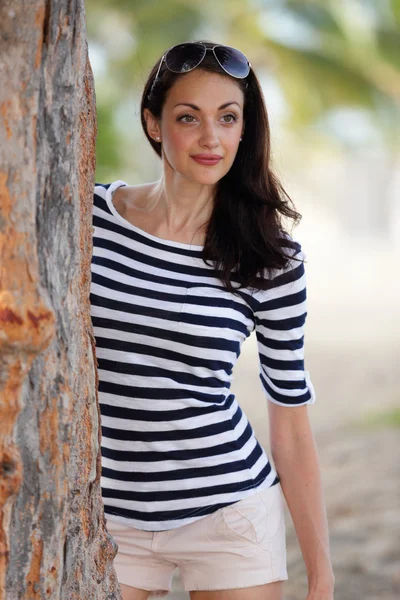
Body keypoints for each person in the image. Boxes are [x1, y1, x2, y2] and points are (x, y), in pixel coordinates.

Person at [90, 41, 335, 600]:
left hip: (228, 512)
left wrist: (321, 577)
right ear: (154, 124)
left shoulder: (270, 259)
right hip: (107, 514)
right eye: (188, 118)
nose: (210, 138)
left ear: (245, 130)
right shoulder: (90, 217)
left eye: (228, 118)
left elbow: (291, 424)